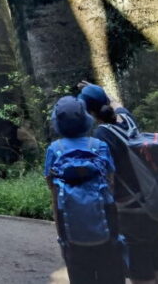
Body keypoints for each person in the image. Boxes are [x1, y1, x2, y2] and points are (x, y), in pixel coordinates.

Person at [80, 83, 158, 284]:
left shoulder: (102, 134)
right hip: (153, 200)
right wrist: (98, 88)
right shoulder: (128, 118)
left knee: (141, 274)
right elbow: (117, 102)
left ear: (89, 112)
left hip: (130, 209)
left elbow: (107, 174)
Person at [45, 96, 124, 284]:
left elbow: (55, 197)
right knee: (111, 275)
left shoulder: (54, 149)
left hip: (71, 227)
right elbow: (111, 187)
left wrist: (62, 238)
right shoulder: (99, 146)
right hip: (105, 221)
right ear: (85, 118)